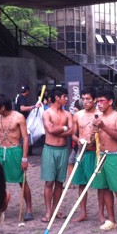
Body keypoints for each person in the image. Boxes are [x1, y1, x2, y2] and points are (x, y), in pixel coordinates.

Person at [93, 90, 117, 231]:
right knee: (104, 188)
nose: (99, 104)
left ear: (110, 102)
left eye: (102, 101)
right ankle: (111, 219)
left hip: (115, 155)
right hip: (100, 155)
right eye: (98, 101)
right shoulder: (98, 117)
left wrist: (103, 126)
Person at [0, 94, 33, 221]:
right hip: (1, 151)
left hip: (15, 151)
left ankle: (29, 209)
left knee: (22, 181)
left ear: (3, 107)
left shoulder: (18, 117)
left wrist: (25, 158)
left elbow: (26, 138)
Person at [71, 88, 103, 224]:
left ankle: (102, 214)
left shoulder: (100, 114)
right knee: (81, 184)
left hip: (95, 153)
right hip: (82, 152)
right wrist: (78, 140)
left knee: (100, 185)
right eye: (83, 99)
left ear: (94, 100)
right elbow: (73, 134)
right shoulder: (78, 115)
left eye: (88, 99)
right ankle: (83, 212)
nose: (85, 102)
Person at [40, 87, 71, 222]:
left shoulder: (67, 114)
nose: (67, 99)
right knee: (49, 182)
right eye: (65, 96)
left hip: (63, 149)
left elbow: (71, 131)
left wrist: (59, 130)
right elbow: (50, 130)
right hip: (50, 149)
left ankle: (55, 209)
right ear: (57, 98)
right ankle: (48, 211)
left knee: (59, 182)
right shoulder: (47, 113)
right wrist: (64, 128)